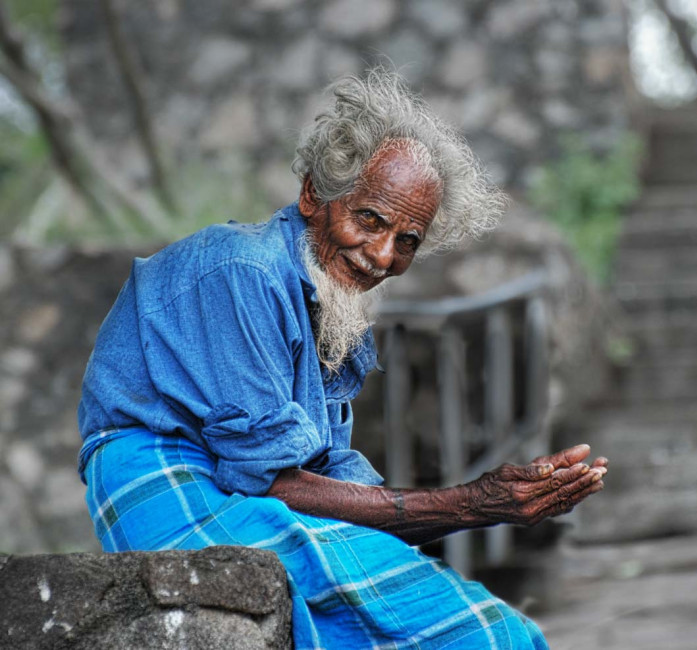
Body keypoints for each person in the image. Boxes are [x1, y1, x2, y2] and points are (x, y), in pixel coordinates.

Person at [78, 69, 607, 649]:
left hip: (249, 487)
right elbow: (271, 479)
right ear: (314, 197)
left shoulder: (333, 318)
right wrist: (471, 503)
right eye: (369, 220)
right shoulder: (243, 271)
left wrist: (478, 506)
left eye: (408, 240)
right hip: (161, 470)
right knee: (485, 635)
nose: (382, 255)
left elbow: (331, 477)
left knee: (489, 628)